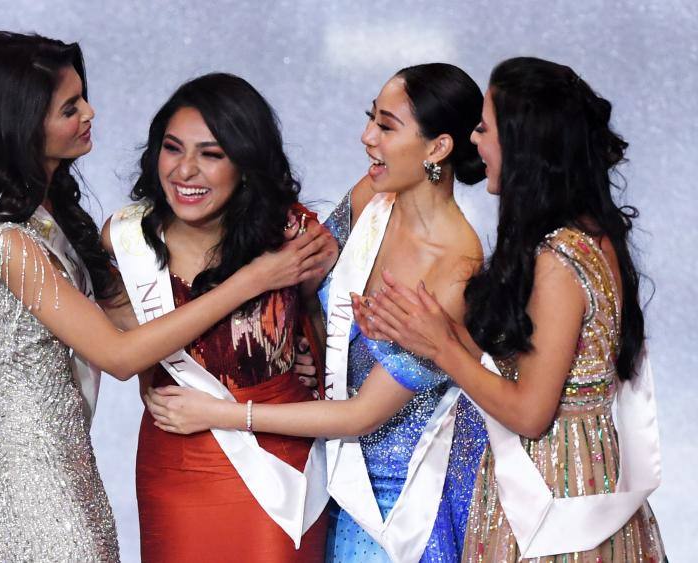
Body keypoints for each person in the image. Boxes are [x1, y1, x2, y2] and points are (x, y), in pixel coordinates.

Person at [0, 32, 329, 561]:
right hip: (26, 477)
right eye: (70, 107)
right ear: (24, 123)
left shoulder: (49, 218)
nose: (90, 112)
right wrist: (254, 281)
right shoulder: (7, 241)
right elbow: (121, 355)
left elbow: (136, 323)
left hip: (68, 461)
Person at [145, 64, 489, 562]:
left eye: (387, 127)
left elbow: (361, 415)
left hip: (397, 501)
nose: (366, 137)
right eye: (371, 118)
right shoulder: (375, 196)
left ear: (437, 149)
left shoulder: (455, 266)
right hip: (327, 476)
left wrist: (218, 414)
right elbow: (306, 276)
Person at [355, 57, 666, 561]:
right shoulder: (587, 236)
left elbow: (529, 412)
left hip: (552, 497)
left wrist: (442, 347)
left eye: (484, 128)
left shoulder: (559, 261)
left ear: (524, 146)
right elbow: (522, 356)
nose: (475, 142)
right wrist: (427, 333)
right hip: (584, 474)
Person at [107, 72, 338, 563]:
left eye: (210, 155)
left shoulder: (294, 235)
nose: (185, 170)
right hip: (175, 464)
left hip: (278, 460)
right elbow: (124, 347)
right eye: (173, 149)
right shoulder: (125, 240)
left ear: (246, 165)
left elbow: (326, 334)